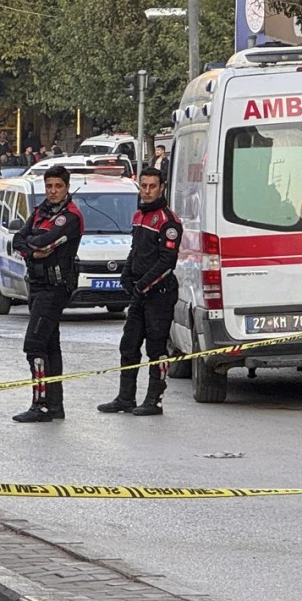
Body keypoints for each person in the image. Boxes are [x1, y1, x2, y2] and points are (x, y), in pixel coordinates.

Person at [99, 169, 180, 416]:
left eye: (152, 186)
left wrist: (143, 283)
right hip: (139, 293)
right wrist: (126, 274)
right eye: (143, 186)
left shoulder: (168, 220)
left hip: (160, 292)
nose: (147, 191)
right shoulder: (139, 215)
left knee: (156, 349)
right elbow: (136, 250)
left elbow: (167, 261)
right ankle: (125, 398)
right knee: (129, 345)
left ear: (162, 187)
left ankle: (154, 400)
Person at [11, 165, 83, 423]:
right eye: (49, 186)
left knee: (34, 344)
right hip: (37, 283)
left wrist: (31, 245)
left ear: (66, 186)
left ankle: (40, 404)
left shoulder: (70, 217)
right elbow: (18, 239)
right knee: (50, 345)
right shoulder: (41, 211)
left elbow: (46, 242)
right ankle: (54, 406)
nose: (53, 191)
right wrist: (31, 249)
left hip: (55, 286)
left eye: (58, 186)